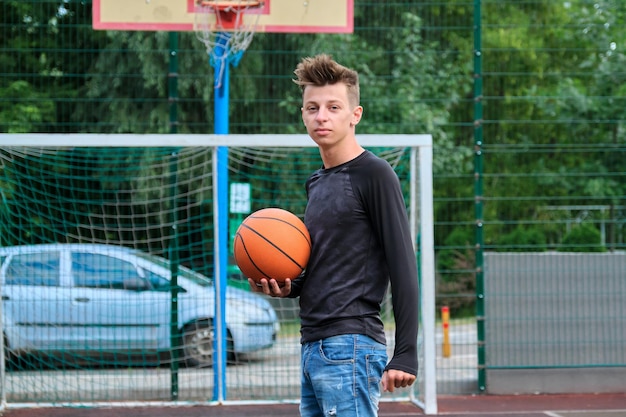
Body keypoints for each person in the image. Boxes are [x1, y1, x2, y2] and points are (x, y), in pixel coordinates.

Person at [249, 54, 419, 417]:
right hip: (313, 343)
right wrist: (288, 285)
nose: (321, 115)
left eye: (333, 106)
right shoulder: (317, 182)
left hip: (351, 344)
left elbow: (403, 264)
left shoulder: (375, 174)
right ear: (303, 114)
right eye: (312, 107)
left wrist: (406, 351)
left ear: (354, 115)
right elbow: (327, 267)